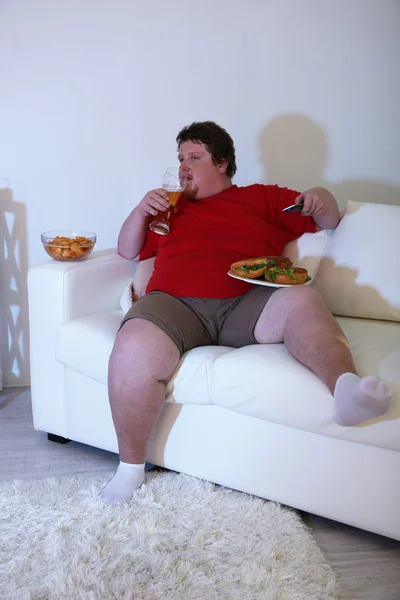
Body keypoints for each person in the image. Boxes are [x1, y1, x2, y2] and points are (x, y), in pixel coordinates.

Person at [101, 121, 392, 505]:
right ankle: (130, 470)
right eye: (180, 159)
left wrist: (322, 195)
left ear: (221, 163)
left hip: (249, 302)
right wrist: (140, 209)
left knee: (302, 298)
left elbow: (330, 219)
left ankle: (345, 389)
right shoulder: (170, 208)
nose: (184, 166)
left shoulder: (263, 198)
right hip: (174, 303)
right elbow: (126, 249)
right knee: (132, 345)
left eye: (194, 157)